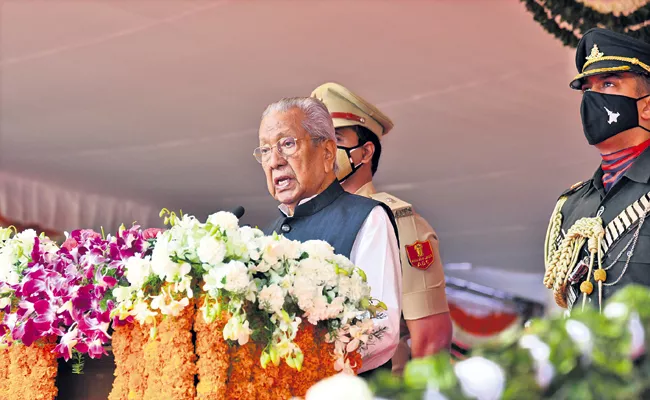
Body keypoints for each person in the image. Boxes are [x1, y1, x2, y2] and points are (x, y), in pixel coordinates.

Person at [311, 83, 452, 374]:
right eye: (318, 139)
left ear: (365, 152)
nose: (324, 150)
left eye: (336, 138)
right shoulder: (308, 222)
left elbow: (431, 340)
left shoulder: (398, 222)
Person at [255, 97, 402, 374]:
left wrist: (305, 363)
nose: (274, 161)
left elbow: (382, 327)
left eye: (287, 144)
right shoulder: (267, 237)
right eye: (265, 150)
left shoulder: (367, 218)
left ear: (326, 153)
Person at [543, 28, 650, 313]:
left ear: (647, 107)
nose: (592, 100)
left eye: (608, 85)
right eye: (587, 89)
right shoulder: (572, 205)